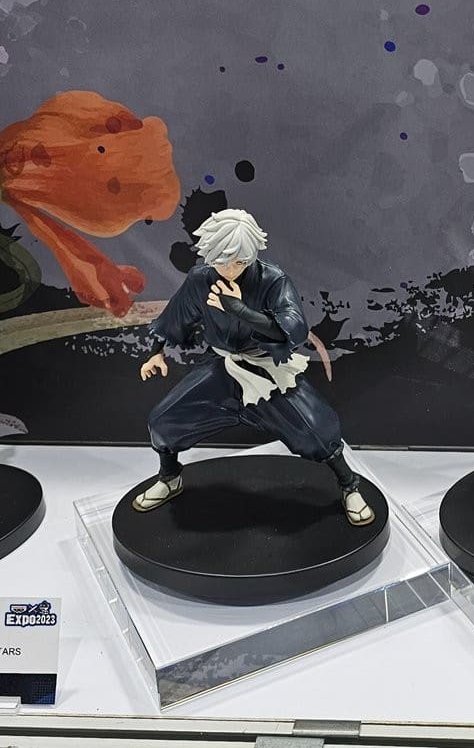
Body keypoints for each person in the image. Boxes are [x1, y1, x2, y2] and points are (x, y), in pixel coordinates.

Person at [135, 209, 374, 526]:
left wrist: (240, 309)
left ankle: (349, 484)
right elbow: (176, 315)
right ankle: (169, 477)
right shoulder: (201, 279)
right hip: (222, 368)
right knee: (163, 419)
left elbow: (293, 330)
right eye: (221, 261)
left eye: (238, 262)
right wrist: (156, 353)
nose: (229, 269)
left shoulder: (273, 280)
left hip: (265, 369)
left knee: (316, 428)